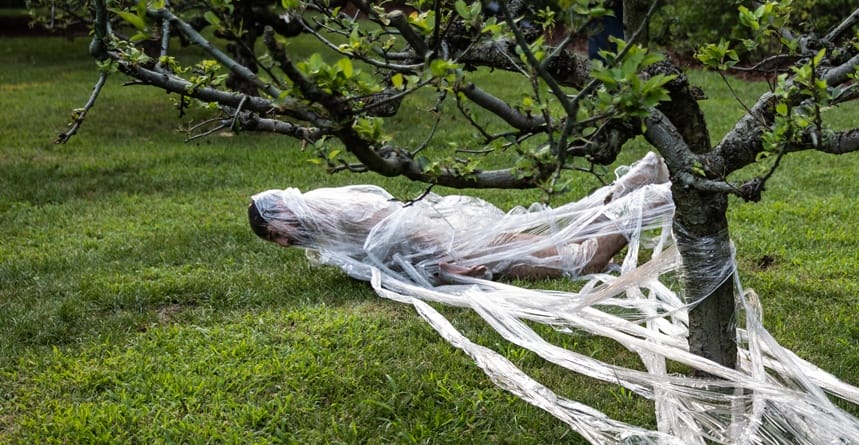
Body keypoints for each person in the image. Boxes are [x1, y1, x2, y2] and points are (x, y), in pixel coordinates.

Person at [248, 153, 672, 283]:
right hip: (457, 233)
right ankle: (635, 184)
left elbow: (399, 228)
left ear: (282, 217)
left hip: (462, 243)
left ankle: (648, 200)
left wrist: (446, 267)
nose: (284, 243)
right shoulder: (323, 216)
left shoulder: (336, 212)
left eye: (276, 235)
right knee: (568, 250)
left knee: (581, 261)